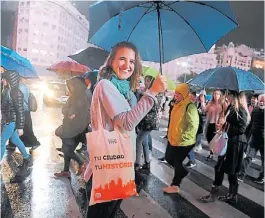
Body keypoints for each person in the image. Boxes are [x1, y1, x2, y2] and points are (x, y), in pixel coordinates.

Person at [83, 41, 167, 218]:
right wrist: (151, 93)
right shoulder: (106, 86)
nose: (127, 66)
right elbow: (127, 122)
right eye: (122, 59)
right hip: (107, 167)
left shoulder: (125, 90)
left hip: (118, 163)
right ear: (111, 60)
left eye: (131, 61)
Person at [200, 91, 250, 204]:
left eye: (229, 94)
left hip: (236, 143)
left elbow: (242, 129)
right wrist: (222, 126)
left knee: (230, 170)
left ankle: (230, 195)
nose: (226, 96)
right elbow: (229, 124)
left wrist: (227, 127)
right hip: (229, 141)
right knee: (220, 167)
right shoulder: (231, 107)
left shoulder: (240, 110)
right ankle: (221, 194)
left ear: (234, 96)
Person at [163, 83, 199, 194]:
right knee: (169, 158)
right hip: (173, 138)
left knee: (177, 161)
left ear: (184, 94)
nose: (176, 95)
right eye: (175, 93)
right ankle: (183, 172)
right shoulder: (177, 104)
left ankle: (175, 185)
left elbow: (193, 125)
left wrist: (183, 137)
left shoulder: (190, 106)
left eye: (179, 93)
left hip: (184, 141)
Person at [54, 76, 90, 177]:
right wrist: (68, 112)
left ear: (77, 86)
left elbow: (78, 112)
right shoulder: (75, 96)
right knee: (66, 149)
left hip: (75, 129)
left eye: (72, 85)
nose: (70, 87)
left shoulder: (81, 97)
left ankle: (81, 163)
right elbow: (65, 109)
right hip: (71, 127)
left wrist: (71, 114)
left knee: (67, 149)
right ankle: (66, 171)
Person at [1, 70, 32, 167]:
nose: (2, 80)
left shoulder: (17, 93)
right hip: (7, 121)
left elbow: (20, 111)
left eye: (4, 79)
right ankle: (26, 157)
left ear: (10, 80)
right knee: (15, 140)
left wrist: (20, 127)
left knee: (1, 142)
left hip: (12, 122)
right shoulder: (6, 91)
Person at [135, 75, 163, 173]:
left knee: (138, 140)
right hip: (145, 121)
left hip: (149, 122)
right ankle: (147, 162)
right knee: (144, 141)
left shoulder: (156, 93)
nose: (145, 82)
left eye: (148, 81)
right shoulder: (148, 92)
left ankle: (138, 163)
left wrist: (145, 95)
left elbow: (150, 105)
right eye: (145, 80)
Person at [7, 78, 41, 151]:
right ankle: (12, 144)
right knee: (13, 127)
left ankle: (34, 143)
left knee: (26, 129)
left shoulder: (21, 87)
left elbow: (19, 100)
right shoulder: (18, 86)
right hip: (19, 110)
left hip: (22, 111)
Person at [238, 94, 264, 184]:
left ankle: (262, 176)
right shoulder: (255, 110)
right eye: (260, 100)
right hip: (254, 138)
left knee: (264, 159)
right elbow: (251, 123)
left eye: (263, 101)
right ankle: (241, 174)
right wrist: (245, 133)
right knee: (249, 156)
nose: (261, 102)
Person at [75, 70, 99, 153]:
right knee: (85, 130)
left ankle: (87, 146)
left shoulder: (95, 88)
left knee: (87, 130)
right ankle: (85, 145)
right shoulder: (88, 88)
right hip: (86, 113)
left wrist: (87, 90)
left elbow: (91, 100)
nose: (86, 80)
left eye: (87, 78)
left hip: (92, 114)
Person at [201, 89, 226, 161]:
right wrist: (202, 101)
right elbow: (204, 110)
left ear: (220, 95)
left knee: (215, 140)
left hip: (217, 125)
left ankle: (213, 154)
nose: (215, 95)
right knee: (209, 138)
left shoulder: (222, 104)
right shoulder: (210, 103)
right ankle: (212, 152)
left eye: (217, 94)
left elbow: (225, 114)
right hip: (210, 124)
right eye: (214, 94)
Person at [185, 91, 204, 168]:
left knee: (188, 146)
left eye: (190, 96)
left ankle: (192, 161)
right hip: (193, 129)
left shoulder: (193, 106)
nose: (188, 98)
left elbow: (193, 121)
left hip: (196, 129)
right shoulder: (191, 105)